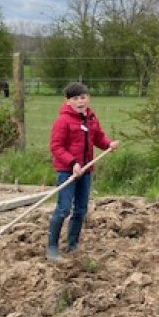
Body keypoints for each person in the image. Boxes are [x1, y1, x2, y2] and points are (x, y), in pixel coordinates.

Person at [47, 81, 118, 261]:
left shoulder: (91, 118)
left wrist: (108, 144)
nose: (80, 102)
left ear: (88, 98)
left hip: (85, 171)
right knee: (63, 209)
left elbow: (98, 137)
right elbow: (56, 147)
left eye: (83, 97)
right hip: (67, 171)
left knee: (80, 209)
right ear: (68, 101)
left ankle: (73, 245)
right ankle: (52, 248)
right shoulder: (63, 121)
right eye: (76, 98)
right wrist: (72, 164)